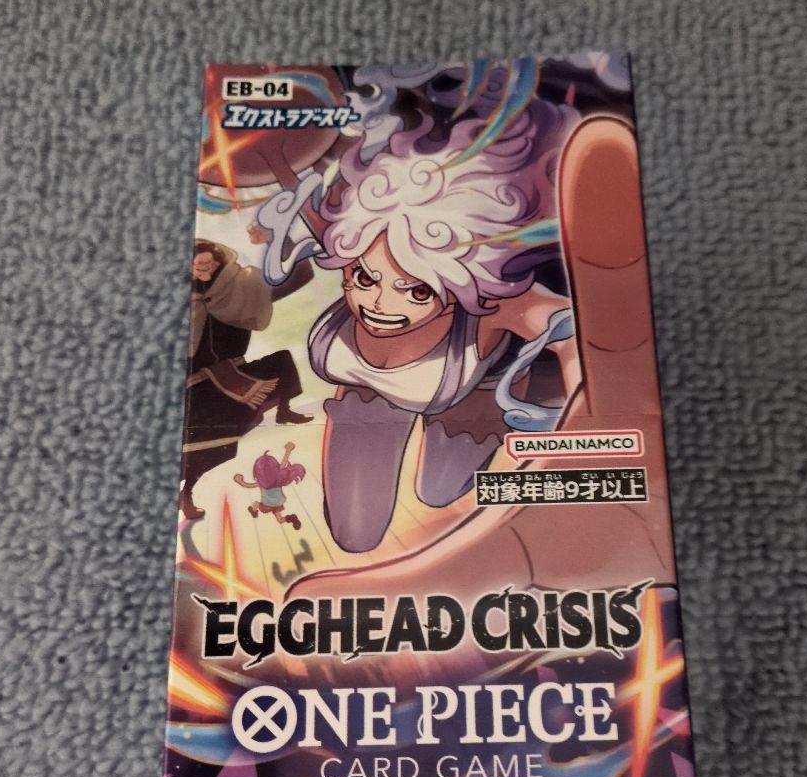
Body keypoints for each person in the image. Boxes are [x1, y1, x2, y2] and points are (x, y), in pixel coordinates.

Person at [305, 107, 580, 553]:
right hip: (365, 399)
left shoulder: (493, 299)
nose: (378, 305)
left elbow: (569, 327)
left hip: (470, 398)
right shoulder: (357, 236)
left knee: (439, 491)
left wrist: (580, 375)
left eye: (416, 291)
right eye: (364, 279)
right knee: (354, 535)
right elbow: (308, 189)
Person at [180, 234, 313, 521]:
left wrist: (280, 234)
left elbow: (303, 273)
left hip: (234, 374)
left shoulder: (243, 289)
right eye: (196, 266)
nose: (202, 271)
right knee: (207, 444)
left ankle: (285, 410)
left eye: (207, 265)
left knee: (281, 361)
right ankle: (185, 492)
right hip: (196, 386)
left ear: (220, 263)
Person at [232, 443, 305, 530]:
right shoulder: (279, 478)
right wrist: (288, 450)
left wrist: (239, 481)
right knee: (280, 520)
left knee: (256, 503)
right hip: (278, 503)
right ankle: (291, 518)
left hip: (267, 504)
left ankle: (254, 511)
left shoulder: (261, 483)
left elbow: (248, 485)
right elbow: (283, 465)